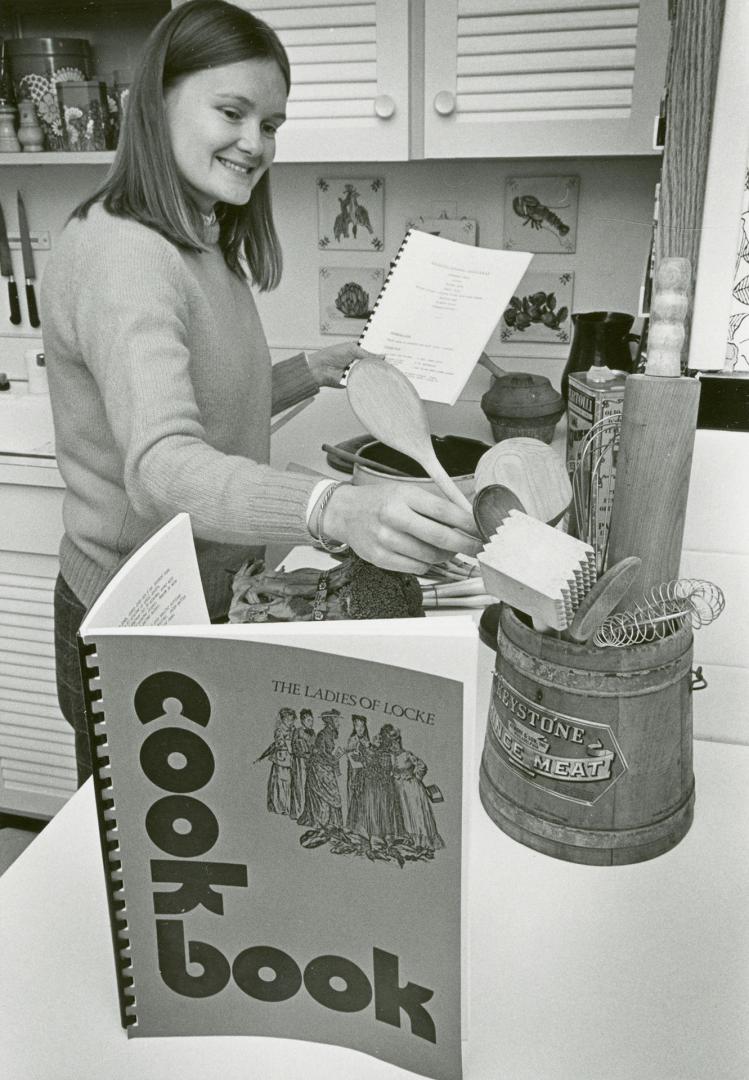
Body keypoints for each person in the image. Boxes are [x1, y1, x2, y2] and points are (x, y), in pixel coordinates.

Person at [41, 0, 480, 787]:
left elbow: (211, 412)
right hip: (128, 610)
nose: (256, 143)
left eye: (271, 122)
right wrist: (332, 507)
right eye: (232, 111)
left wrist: (310, 370)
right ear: (157, 100)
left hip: (201, 593)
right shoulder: (123, 255)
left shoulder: (197, 237)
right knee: (141, 869)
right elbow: (163, 465)